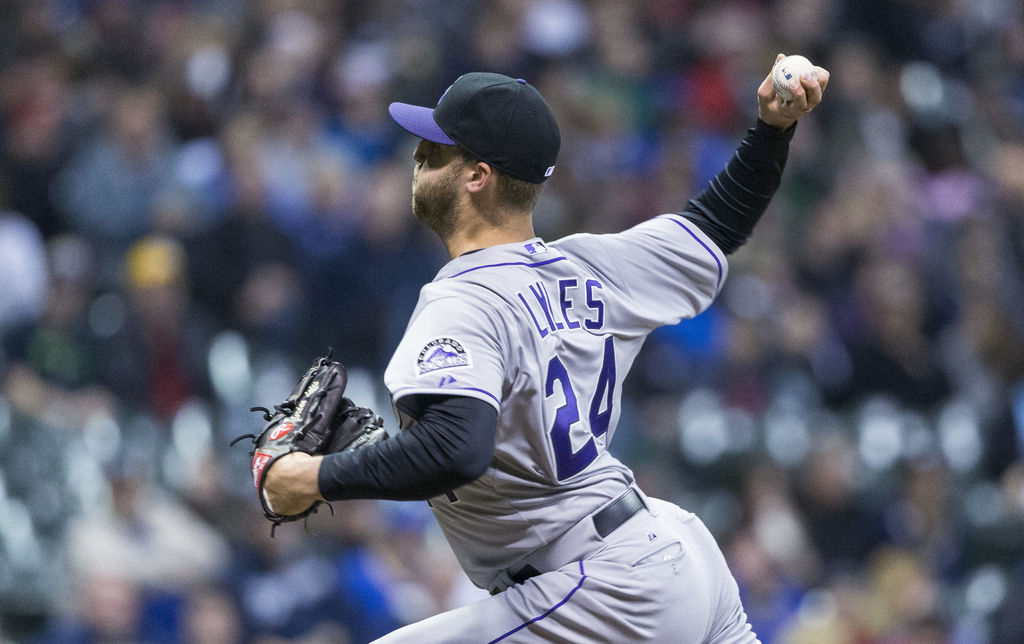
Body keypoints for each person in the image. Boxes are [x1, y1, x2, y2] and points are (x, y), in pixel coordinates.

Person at [263, 54, 829, 642]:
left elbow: (455, 450)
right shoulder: (591, 266)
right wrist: (773, 128)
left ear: (477, 176)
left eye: (435, 149)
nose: (417, 156)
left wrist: (311, 477)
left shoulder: (464, 301)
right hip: (673, 554)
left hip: (606, 587)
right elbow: (718, 222)